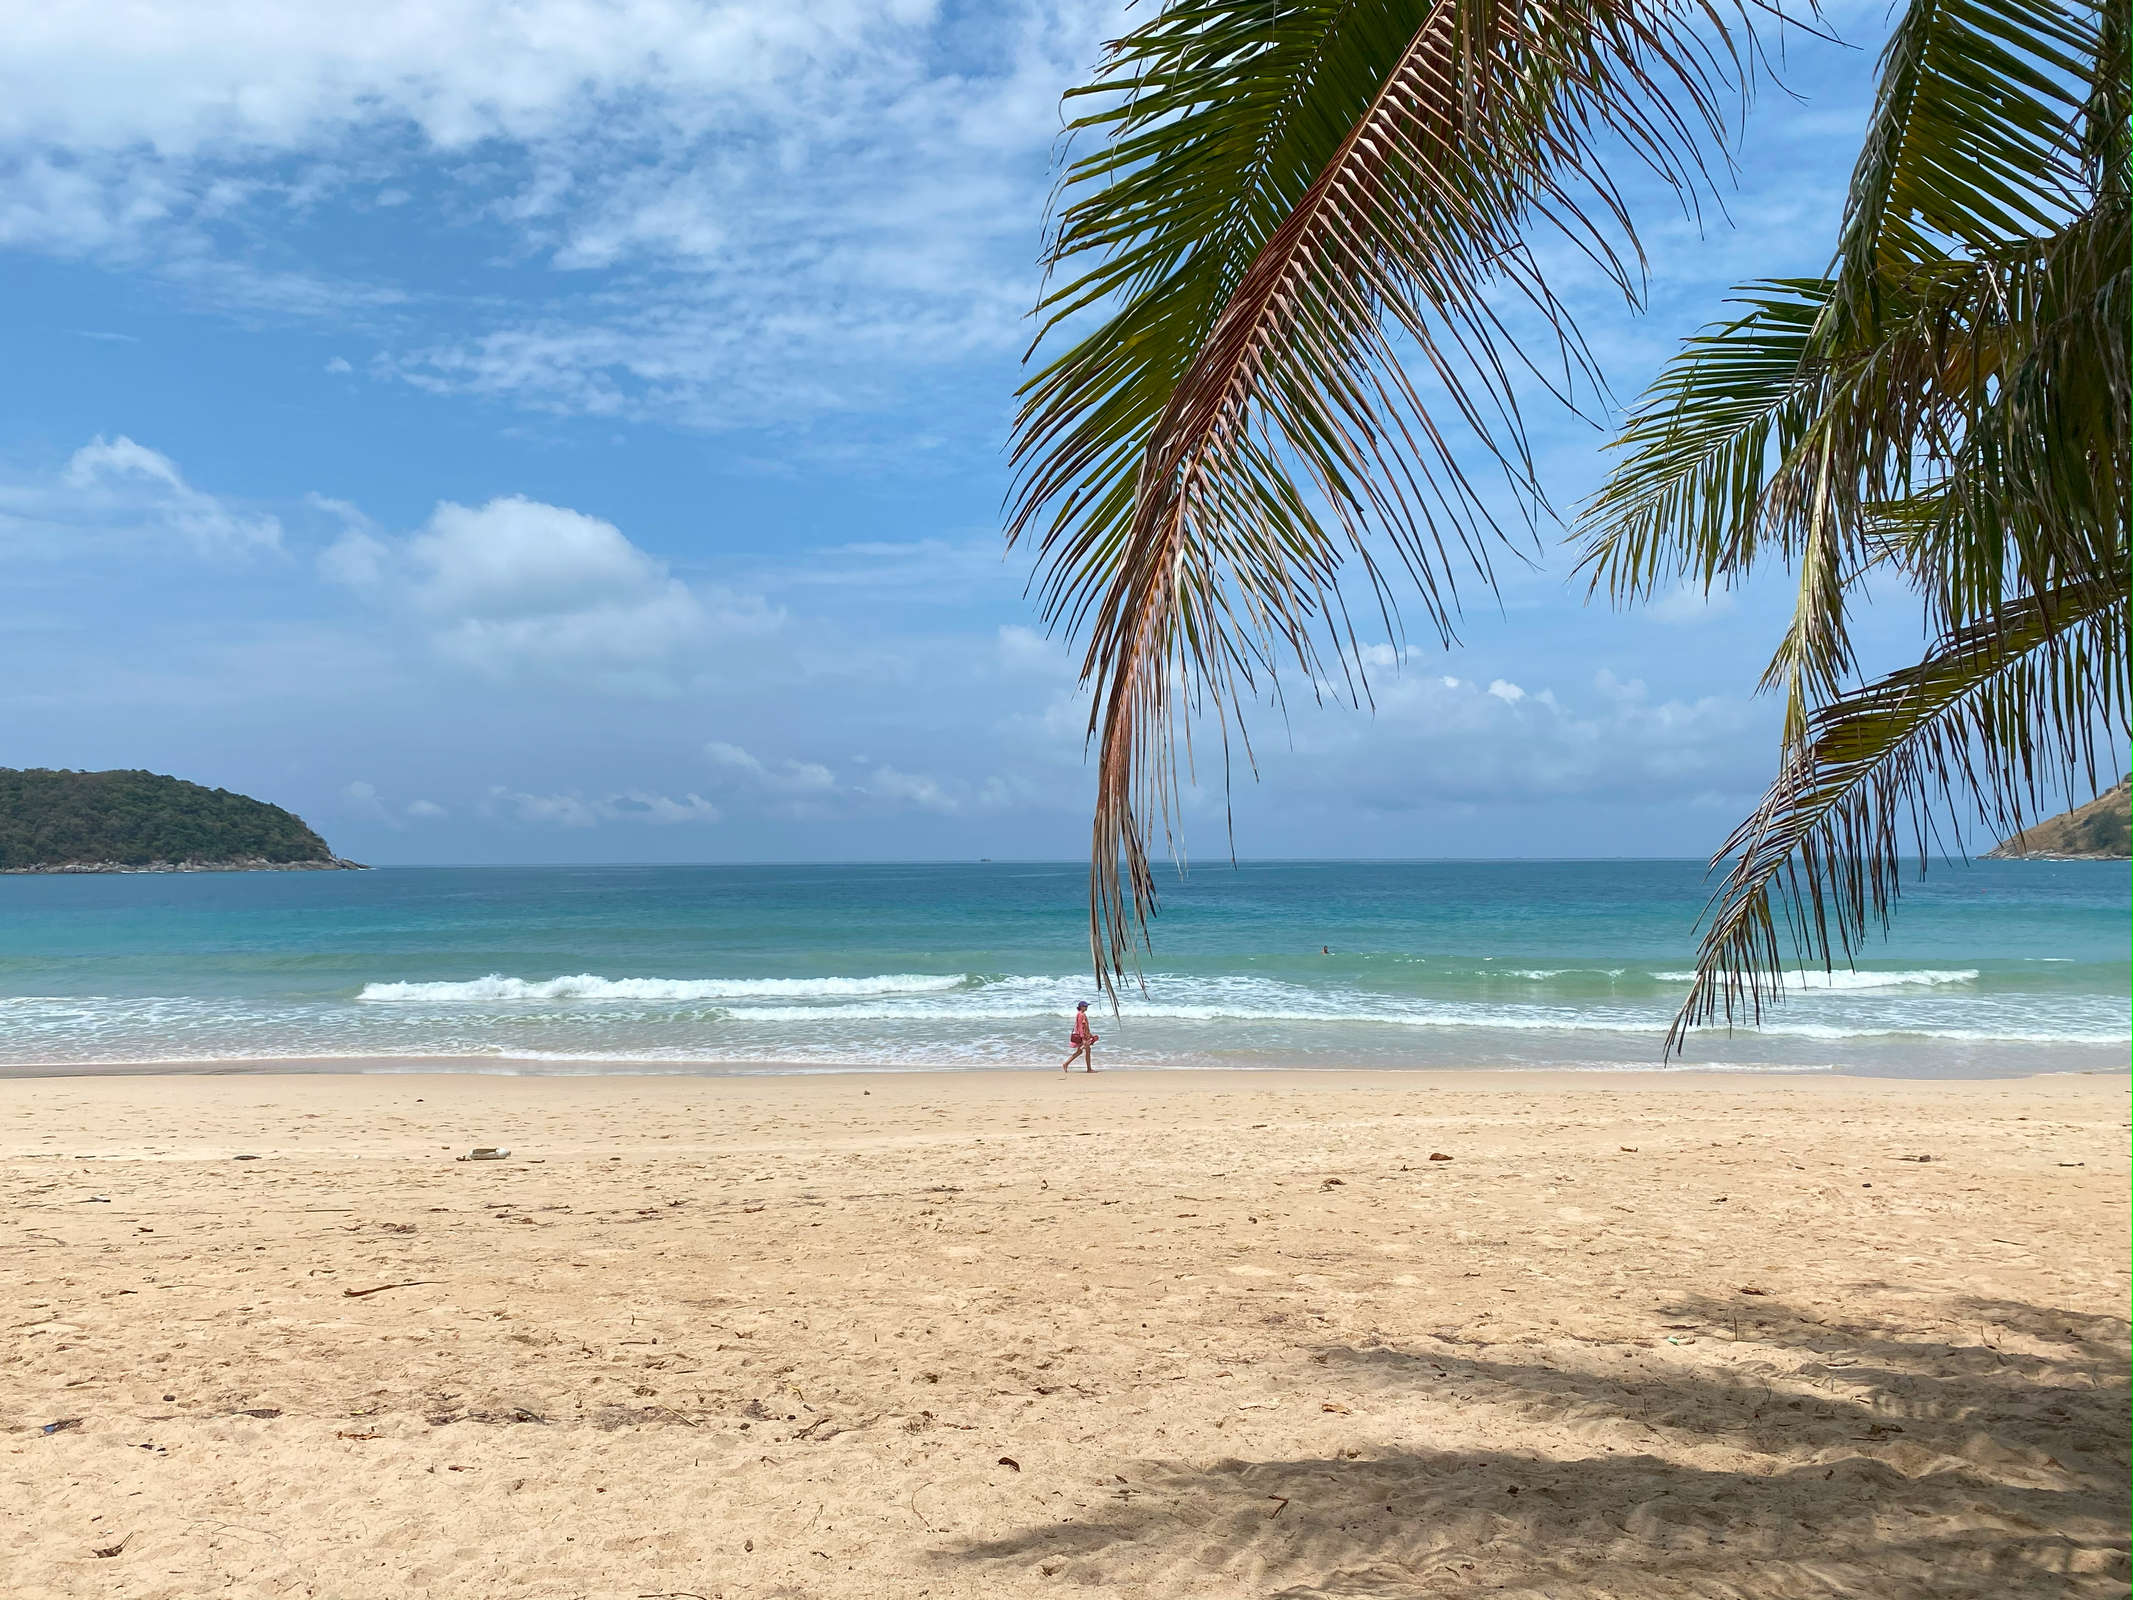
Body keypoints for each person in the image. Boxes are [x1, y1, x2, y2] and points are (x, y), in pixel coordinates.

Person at [1060, 1000, 1098, 1073]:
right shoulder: (1081, 1015)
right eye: (1085, 1006)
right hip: (1083, 1037)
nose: (1086, 1007)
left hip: (1085, 1036)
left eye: (1087, 1006)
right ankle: (1089, 1069)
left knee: (1080, 1052)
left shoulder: (1080, 1014)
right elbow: (1080, 1027)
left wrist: (1090, 1035)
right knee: (1087, 1051)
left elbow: (1084, 1027)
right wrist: (1083, 1038)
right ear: (1081, 1007)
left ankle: (1066, 1064)